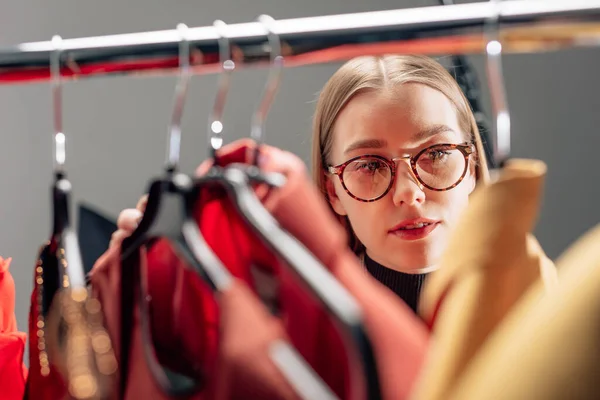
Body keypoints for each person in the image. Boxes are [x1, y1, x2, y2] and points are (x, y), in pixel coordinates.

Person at [112, 54, 491, 314]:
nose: (409, 193)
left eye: (437, 153)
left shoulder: (533, 307)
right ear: (333, 191)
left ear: (471, 165)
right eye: (370, 165)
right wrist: (147, 290)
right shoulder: (288, 321)